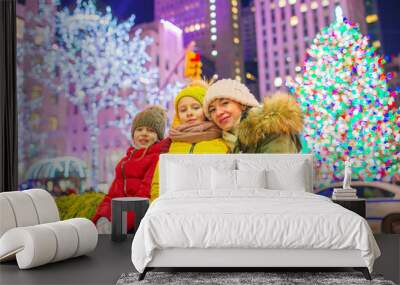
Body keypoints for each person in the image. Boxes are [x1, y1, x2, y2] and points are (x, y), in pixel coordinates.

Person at [92, 106, 171, 234]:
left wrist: (121, 225)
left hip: (138, 221)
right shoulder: (124, 162)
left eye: (150, 130)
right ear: (133, 134)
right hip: (120, 218)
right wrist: (100, 217)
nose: (144, 133)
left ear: (158, 137)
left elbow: (144, 195)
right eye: (139, 129)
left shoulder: (157, 159)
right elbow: (112, 195)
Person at [150, 79, 229, 201]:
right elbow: (159, 180)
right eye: (183, 110)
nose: (189, 113)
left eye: (196, 107)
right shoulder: (172, 143)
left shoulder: (222, 140)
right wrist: (155, 204)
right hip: (175, 206)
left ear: (207, 110)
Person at [203, 78, 303, 153]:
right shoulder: (221, 142)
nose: (218, 112)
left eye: (225, 103)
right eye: (212, 110)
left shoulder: (271, 128)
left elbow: (278, 172)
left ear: (242, 104)